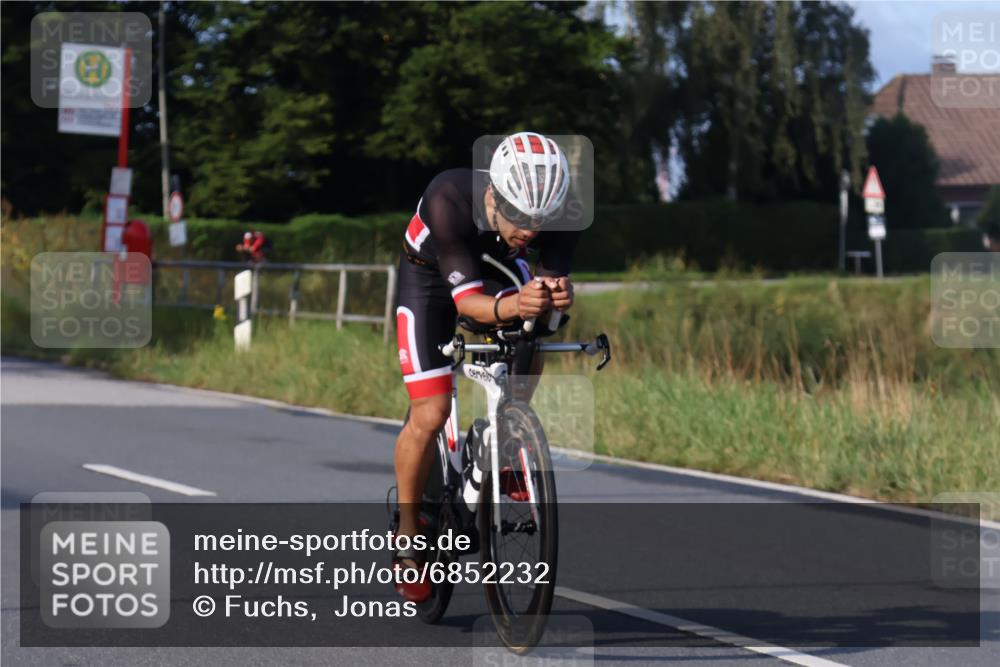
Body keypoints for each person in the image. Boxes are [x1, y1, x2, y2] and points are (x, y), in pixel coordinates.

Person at [392, 132, 580, 602]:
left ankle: (510, 435)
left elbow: (548, 293)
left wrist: (555, 297)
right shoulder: (449, 198)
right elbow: (468, 304)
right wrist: (516, 303)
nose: (530, 232)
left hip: (494, 266)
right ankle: (408, 535)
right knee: (431, 413)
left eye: (540, 222)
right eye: (520, 217)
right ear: (493, 196)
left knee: (534, 326)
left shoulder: (563, 212)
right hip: (430, 278)